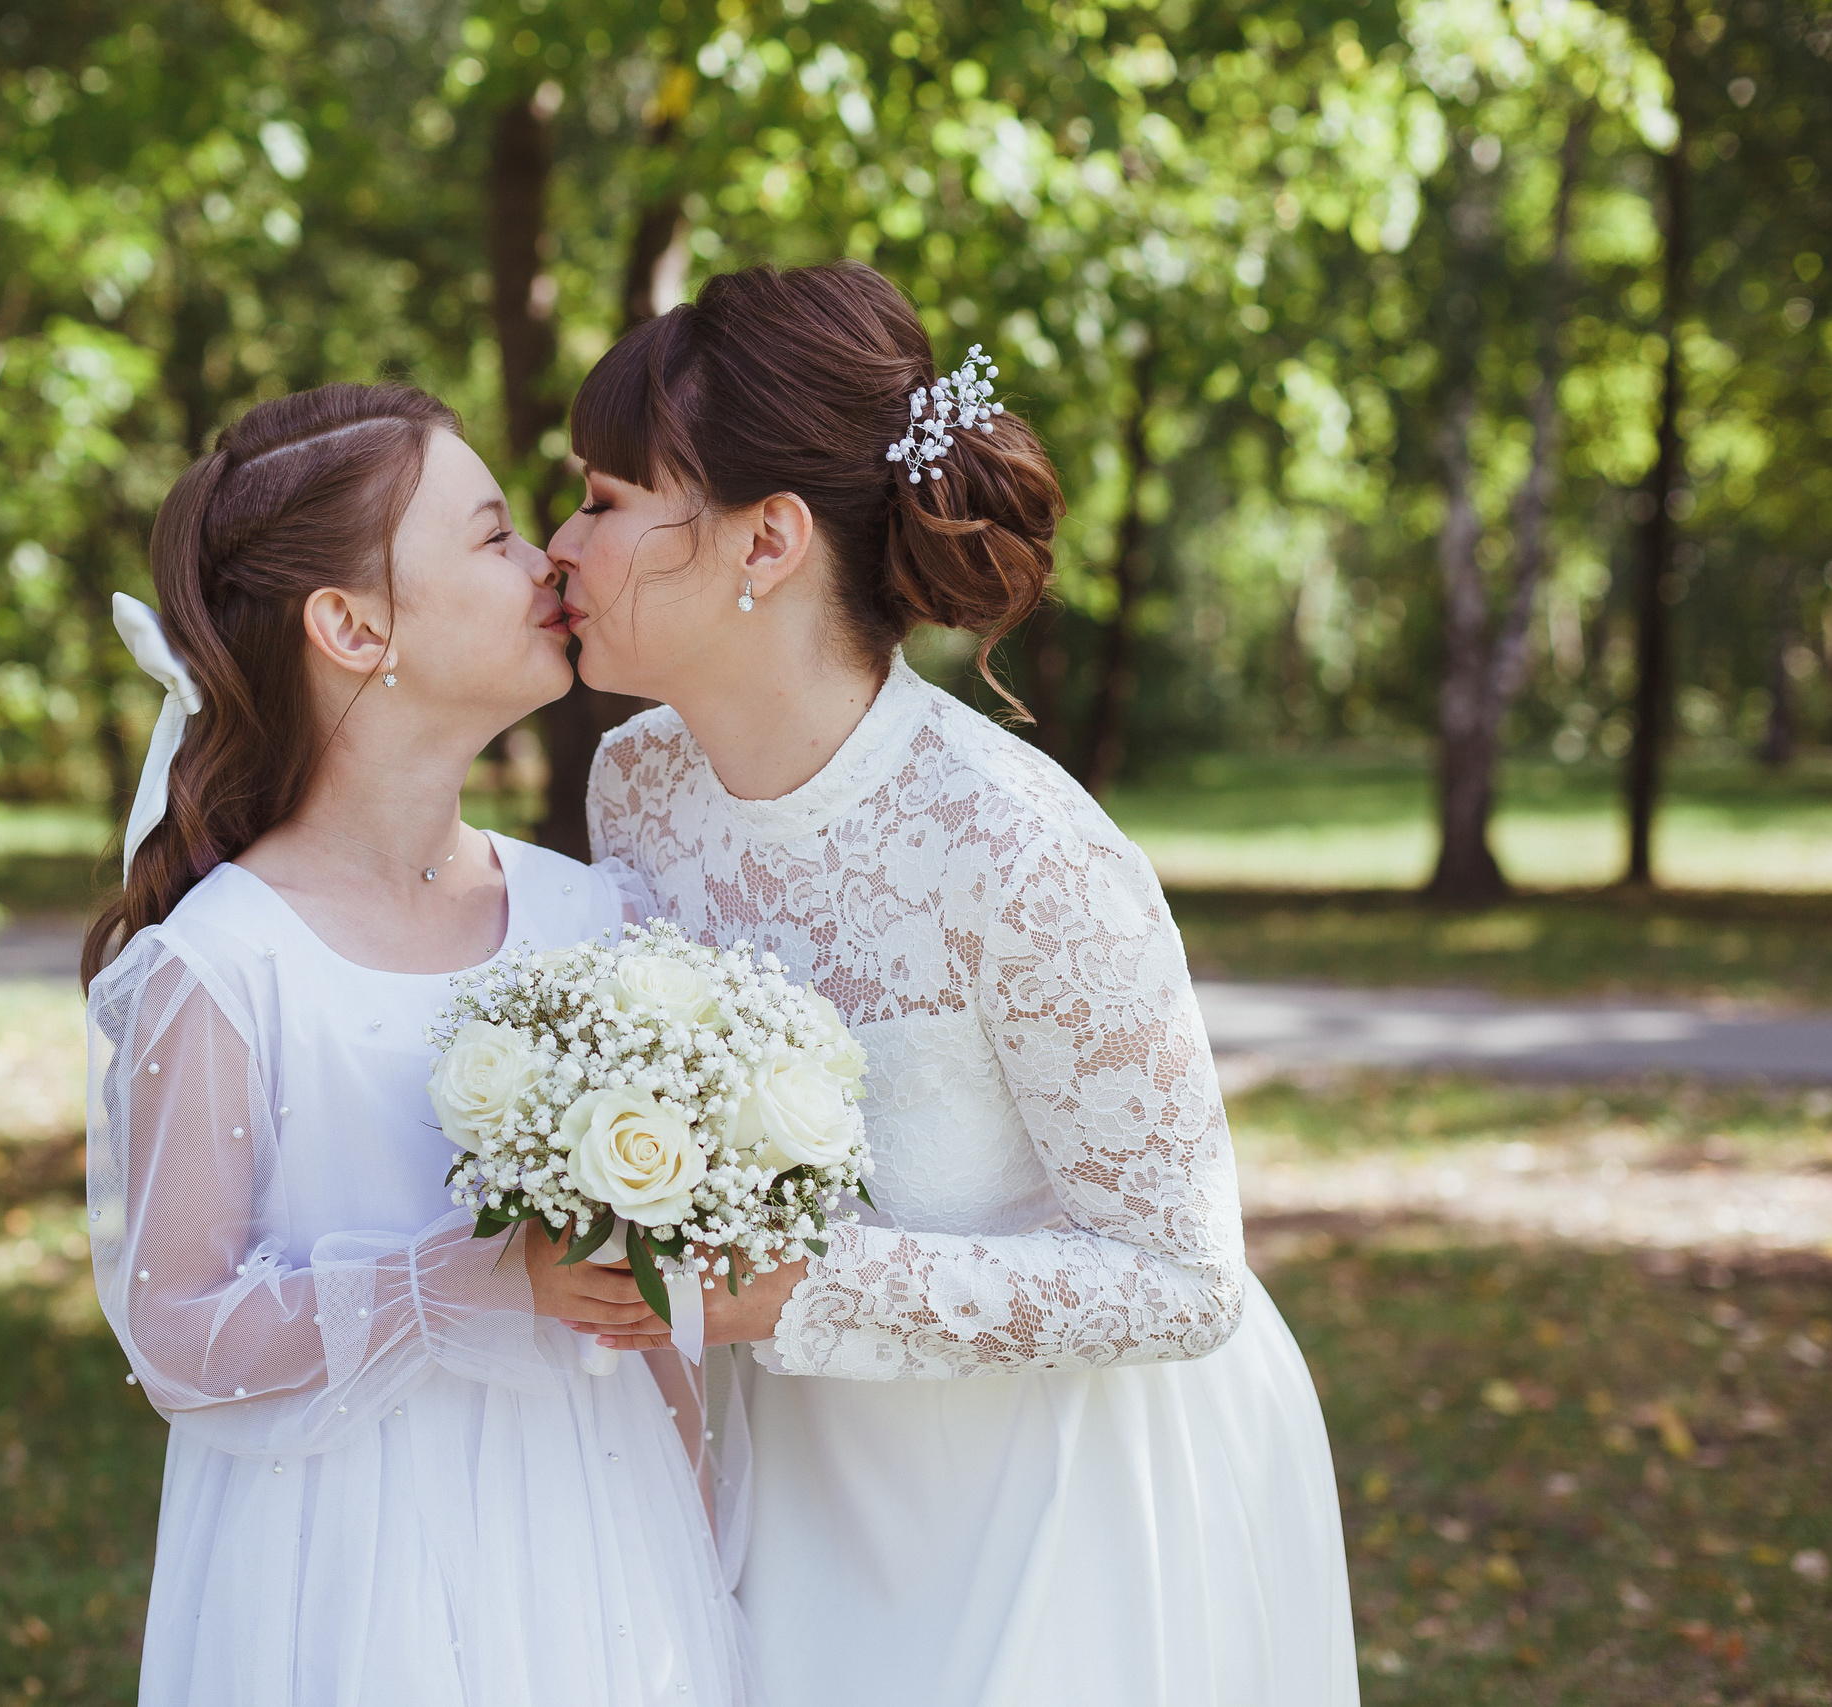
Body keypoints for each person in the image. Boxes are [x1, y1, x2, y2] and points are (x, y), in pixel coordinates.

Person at [542, 263, 1359, 1706]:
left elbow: (1181, 1280)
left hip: (1064, 1506)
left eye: (606, 502)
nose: (560, 545)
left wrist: (794, 1290)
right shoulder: (639, 786)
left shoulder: (1019, 848)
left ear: (767, 539)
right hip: (800, 1483)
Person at [79, 383, 749, 1706]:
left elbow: (650, 1317)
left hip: (596, 1548)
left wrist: (708, 1543)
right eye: (493, 536)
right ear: (353, 624)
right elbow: (179, 1340)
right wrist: (459, 1284)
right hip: (347, 1577)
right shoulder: (227, 968)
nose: (548, 555)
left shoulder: (593, 915)